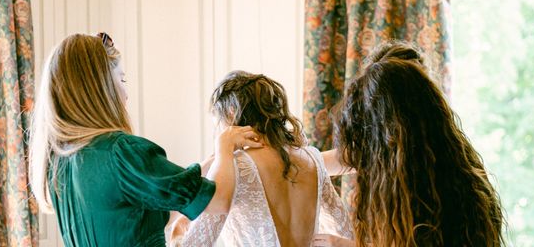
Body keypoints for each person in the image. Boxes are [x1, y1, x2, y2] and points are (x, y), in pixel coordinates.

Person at [29, 33, 262, 247]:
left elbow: (155, 208)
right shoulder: (121, 153)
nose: (126, 93)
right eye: (122, 80)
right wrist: (224, 145)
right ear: (101, 88)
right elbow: (218, 203)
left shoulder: (60, 163)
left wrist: (211, 163)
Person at [313, 42, 505, 247]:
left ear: (385, 131)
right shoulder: (458, 165)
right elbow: (320, 162)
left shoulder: (423, 192)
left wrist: (344, 245)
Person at [171, 71, 354, 247]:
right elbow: (345, 232)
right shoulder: (313, 159)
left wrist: (177, 233)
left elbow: (195, 243)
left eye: (218, 123)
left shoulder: (233, 167)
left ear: (231, 113)